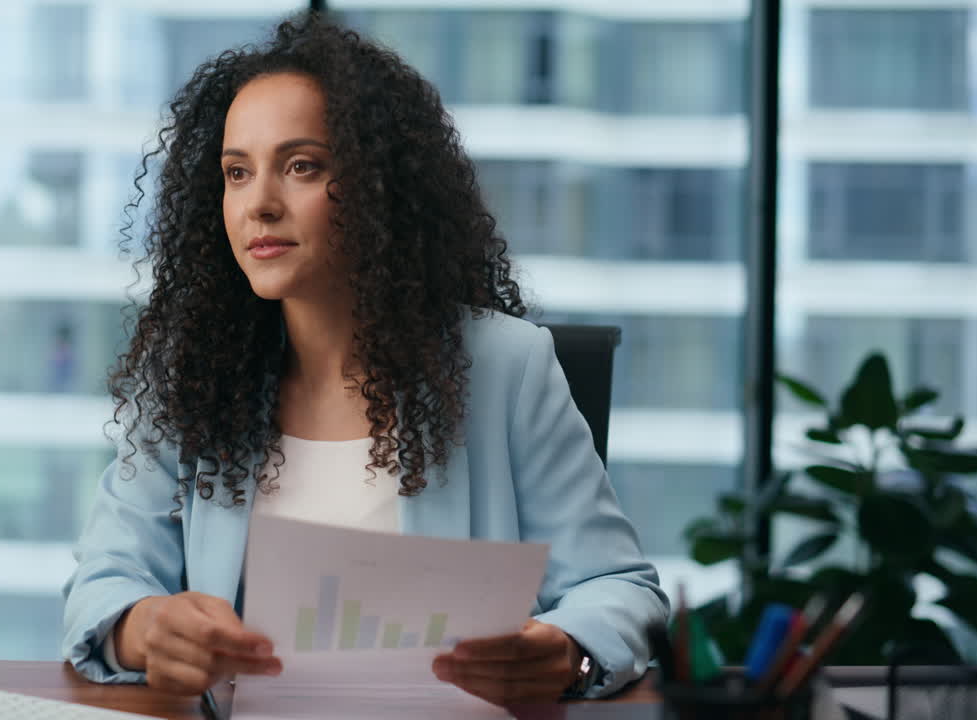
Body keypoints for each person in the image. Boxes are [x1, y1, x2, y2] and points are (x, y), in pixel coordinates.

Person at [62, 12, 667, 706]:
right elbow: (102, 583)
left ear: (380, 187)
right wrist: (145, 627)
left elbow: (618, 588)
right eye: (236, 172)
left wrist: (567, 653)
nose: (258, 204)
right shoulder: (190, 375)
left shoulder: (506, 366)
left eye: (301, 167)